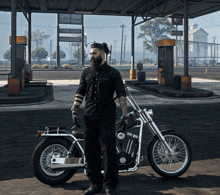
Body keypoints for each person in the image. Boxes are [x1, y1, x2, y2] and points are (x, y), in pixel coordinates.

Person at [71, 42, 128, 195]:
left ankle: (110, 186)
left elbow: (121, 94)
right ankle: (95, 183)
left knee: (109, 152)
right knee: (91, 152)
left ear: (103, 54)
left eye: (94, 53)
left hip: (106, 117)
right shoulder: (86, 72)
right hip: (89, 116)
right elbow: (80, 91)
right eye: (90, 54)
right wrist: (75, 109)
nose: (91, 56)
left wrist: (125, 114)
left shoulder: (113, 73)